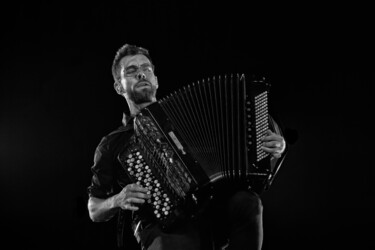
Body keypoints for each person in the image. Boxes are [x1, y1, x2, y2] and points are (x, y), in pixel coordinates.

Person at [87, 44, 287, 250]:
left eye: (146, 69)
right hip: (162, 225)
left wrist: (273, 149)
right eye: (131, 71)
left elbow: (239, 151)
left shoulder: (192, 116)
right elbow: (94, 208)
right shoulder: (112, 143)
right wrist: (116, 200)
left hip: (213, 211)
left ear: (156, 80)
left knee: (248, 202)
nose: (141, 74)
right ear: (119, 87)